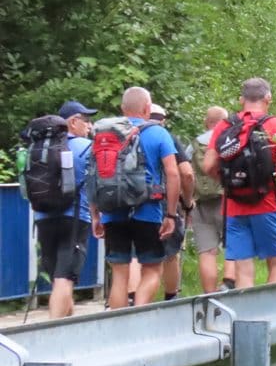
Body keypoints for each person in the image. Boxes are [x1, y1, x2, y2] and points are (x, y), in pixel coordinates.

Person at [90, 87, 180, 309]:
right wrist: (171, 213)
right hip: (148, 211)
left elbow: (93, 175)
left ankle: (119, 329)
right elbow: (173, 173)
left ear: (123, 109)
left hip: (112, 210)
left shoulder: (106, 135)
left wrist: (95, 215)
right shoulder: (158, 133)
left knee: (120, 274)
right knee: (151, 269)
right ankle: (138, 318)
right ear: (148, 108)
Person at [202, 77, 276, 287]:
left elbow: (208, 166)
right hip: (269, 202)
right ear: (268, 98)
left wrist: (228, 182)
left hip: (235, 205)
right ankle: (272, 315)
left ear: (242, 99)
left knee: (243, 269)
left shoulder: (225, 125)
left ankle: (246, 316)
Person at [30, 100, 98, 318]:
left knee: (59, 280)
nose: (89, 126)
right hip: (75, 218)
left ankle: (68, 329)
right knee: (64, 278)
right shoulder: (85, 147)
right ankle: (53, 335)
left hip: (43, 217)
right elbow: (96, 183)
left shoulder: (37, 148)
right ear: (73, 121)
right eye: (86, 120)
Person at [149, 104, 195, 301]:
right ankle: (170, 298)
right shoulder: (166, 137)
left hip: (128, 203)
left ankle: (131, 299)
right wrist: (187, 202)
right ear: (163, 120)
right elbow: (186, 173)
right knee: (170, 254)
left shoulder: (128, 135)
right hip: (163, 202)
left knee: (134, 256)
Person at [191, 106, 236, 292]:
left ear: (206, 122)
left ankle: (209, 296)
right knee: (233, 243)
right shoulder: (228, 141)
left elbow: (187, 172)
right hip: (227, 200)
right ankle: (228, 284)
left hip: (201, 203)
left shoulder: (194, 145)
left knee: (207, 251)